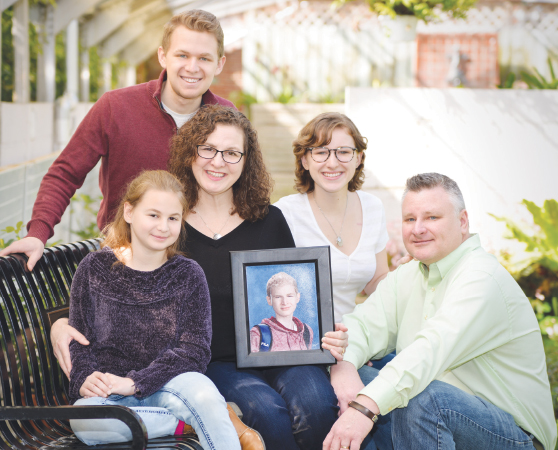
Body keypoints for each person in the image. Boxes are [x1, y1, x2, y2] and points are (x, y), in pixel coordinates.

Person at [49, 105, 348, 450]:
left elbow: (294, 289)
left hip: (282, 354)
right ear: (190, 153)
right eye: (208, 149)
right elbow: (120, 282)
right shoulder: (168, 225)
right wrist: (60, 324)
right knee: (267, 413)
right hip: (213, 363)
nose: (218, 162)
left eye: (232, 153)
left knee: (316, 404)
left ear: (246, 160)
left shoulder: (270, 221)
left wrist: (324, 332)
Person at [324, 173, 557, 450]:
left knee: (422, 397)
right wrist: (344, 367)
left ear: (462, 221)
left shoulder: (481, 277)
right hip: (434, 420)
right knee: (357, 378)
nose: (418, 229)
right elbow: (361, 326)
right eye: (410, 219)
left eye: (432, 217)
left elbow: (429, 350)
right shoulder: (408, 274)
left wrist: (363, 408)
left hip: (514, 435)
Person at [0, 9, 234, 272]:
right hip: (124, 263)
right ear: (162, 56)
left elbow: (243, 187)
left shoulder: (227, 117)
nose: (192, 67)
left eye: (204, 58)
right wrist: (37, 233)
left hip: (203, 264)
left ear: (219, 64)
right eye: (182, 55)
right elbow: (65, 173)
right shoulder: (116, 107)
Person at [68, 170, 240, 450]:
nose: (163, 226)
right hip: (109, 395)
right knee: (85, 420)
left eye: (173, 218)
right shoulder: (94, 268)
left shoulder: (188, 274)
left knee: (205, 396)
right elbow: (79, 339)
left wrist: (134, 382)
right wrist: (84, 379)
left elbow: (195, 351)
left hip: (171, 385)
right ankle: (187, 422)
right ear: (129, 212)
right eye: (153, 215)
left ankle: (204, 415)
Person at [274, 113, 390, 324]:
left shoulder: (373, 207)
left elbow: (376, 281)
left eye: (343, 152)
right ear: (304, 160)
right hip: (305, 337)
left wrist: (409, 275)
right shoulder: (284, 213)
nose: (332, 163)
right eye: (321, 152)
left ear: (358, 158)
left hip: (357, 334)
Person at [250, 272, 314, 353]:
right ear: (269, 300)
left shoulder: (306, 331)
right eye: (278, 297)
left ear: (297, 297)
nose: (285, 302)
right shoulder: (259, 334)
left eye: (289, 296)